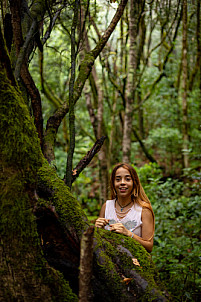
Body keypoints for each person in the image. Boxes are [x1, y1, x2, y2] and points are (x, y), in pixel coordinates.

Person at [95, 163, 155, 252]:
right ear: (113, 183)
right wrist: (96, 229)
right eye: (118, 179)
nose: (122, 183)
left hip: (134, 262)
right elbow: (97, 240)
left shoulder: (143, 210)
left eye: (127, 179)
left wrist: (128, 234)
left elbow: (149, 247)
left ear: (134, 183)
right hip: (107, 262)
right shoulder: (106, 206)